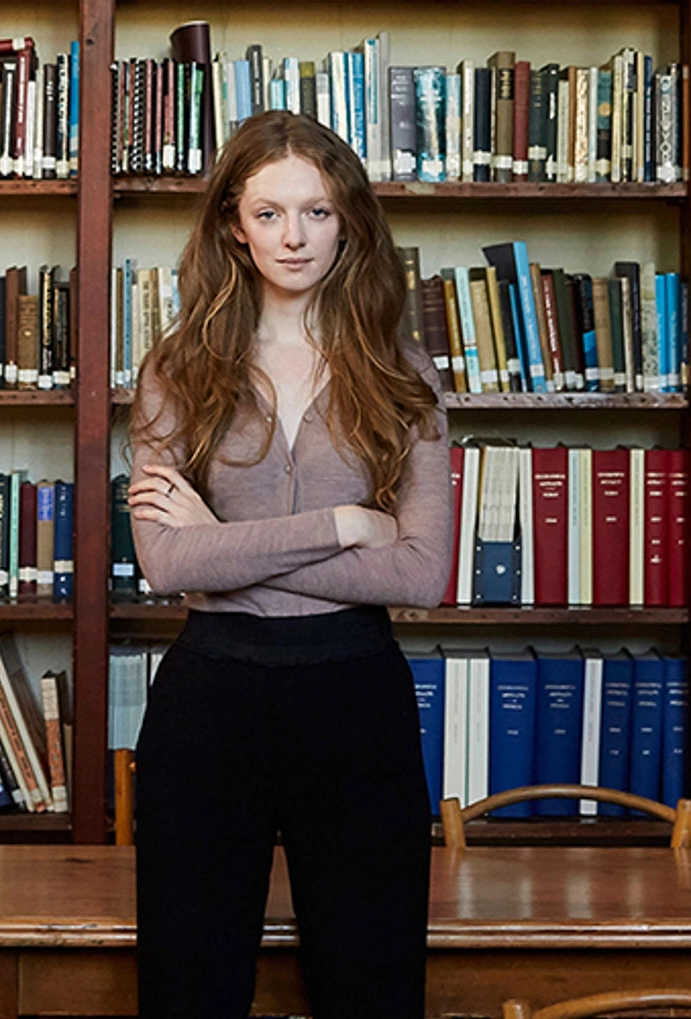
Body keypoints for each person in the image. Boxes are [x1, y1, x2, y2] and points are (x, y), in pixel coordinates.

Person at [128, 109, 453, 1019]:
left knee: (372, 985)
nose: (293, 236)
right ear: (233, 224)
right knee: (190, 990)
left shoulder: (403, 375)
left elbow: (421, 574)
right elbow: (162, 560)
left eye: (315, 212)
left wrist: (220, 552)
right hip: (209, 705)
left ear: (347, 219)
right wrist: (350, 523)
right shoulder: (176, 373)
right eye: (269, 214)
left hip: (356, 698)